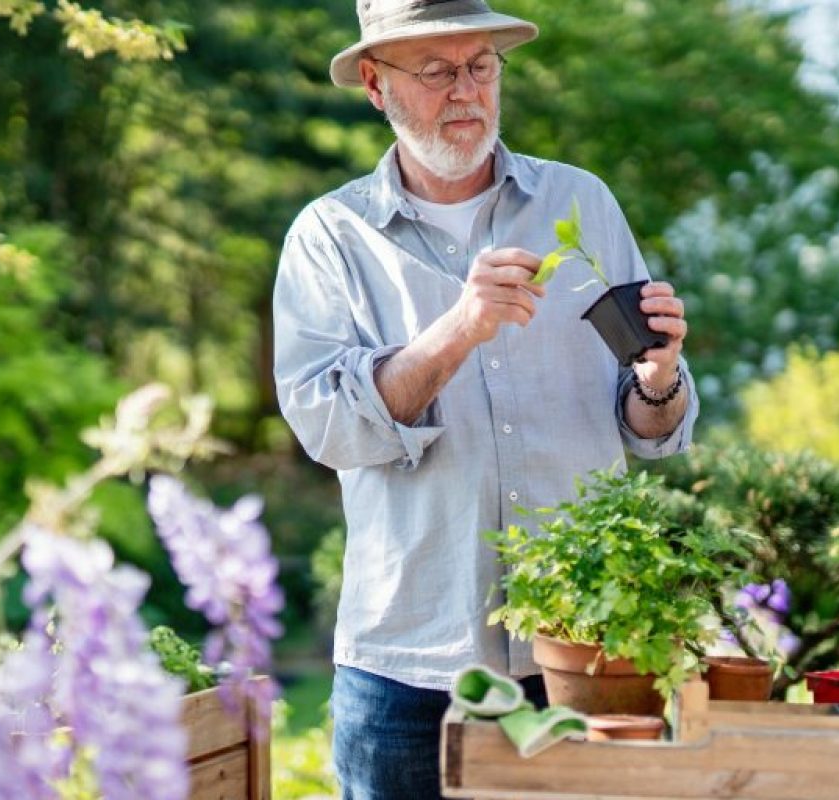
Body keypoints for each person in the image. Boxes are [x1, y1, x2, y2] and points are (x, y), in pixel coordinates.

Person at [272, 2, 699, 797]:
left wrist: (659, 378)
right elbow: (327, 427)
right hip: (408, 669)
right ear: (375, 83)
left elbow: (652, 429)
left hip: (581, 659)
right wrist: (458, 330)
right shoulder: (330, 236)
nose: (466, 90)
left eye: (481, 66)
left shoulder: (583, 204)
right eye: (437, 70)